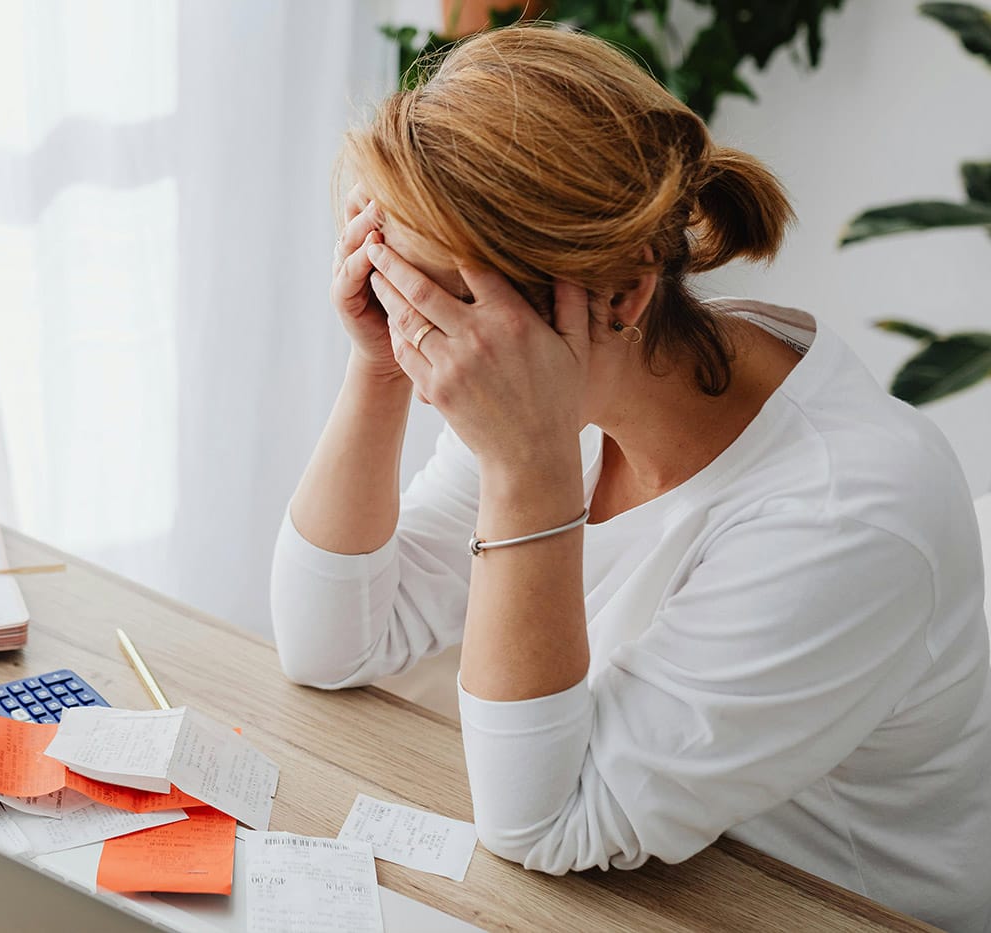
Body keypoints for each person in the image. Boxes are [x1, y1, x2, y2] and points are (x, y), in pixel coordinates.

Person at [269, 23, 991, 933]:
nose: (428, 348)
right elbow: (329, 645)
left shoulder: (847, 514)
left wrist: (524, 468)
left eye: (442, 305)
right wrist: (375, 370)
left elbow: (541, 821)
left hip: (818, 906)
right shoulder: (582, 378)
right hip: (647, 878)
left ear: (621, 295)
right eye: (390, 286)